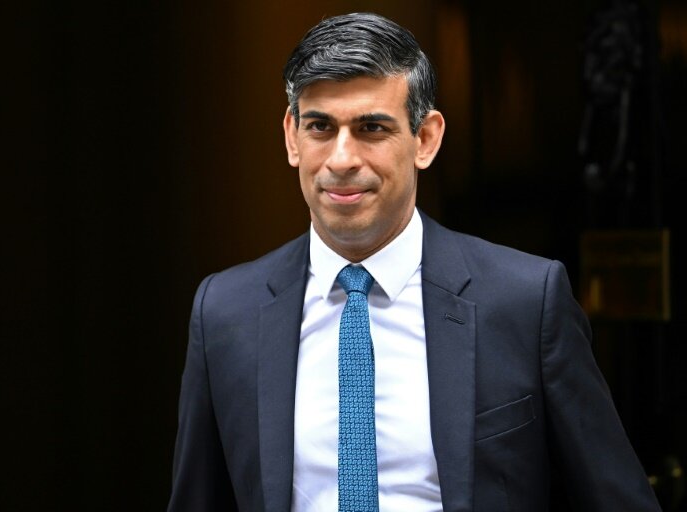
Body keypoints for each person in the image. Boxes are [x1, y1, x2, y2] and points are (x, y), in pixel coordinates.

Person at [166, 12, 661, 512]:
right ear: (292, 136)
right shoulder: (225, 313)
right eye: (320, 126)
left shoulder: (526, 301)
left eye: (371, 128)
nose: (341, 158)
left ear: (425, 139)